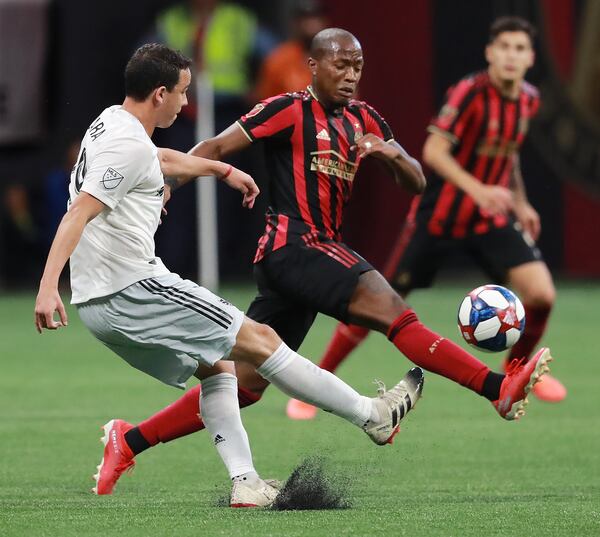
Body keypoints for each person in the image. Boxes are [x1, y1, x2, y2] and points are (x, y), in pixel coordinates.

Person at [92, 28, 553, 494]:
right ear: (314, 66)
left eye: (357, 67)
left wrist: (391, 155)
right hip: (292, 246)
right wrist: (168, 186)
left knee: (245, 384)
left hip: (310, 255)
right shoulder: (286, 109)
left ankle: (128, 441)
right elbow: (213, 148)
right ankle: (495, 388)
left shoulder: (365, 118)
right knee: (394, 311)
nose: (351, 76)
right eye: (340, 65)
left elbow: (416, 181)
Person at [33, 43, 425, 507]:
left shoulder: (111, 122)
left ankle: (246, 484)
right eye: (182, 92)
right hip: (133, 288)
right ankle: (371, 415)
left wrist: (219, 168)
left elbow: (156, 160)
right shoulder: (125, 146)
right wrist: (45, 288)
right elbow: (79, 212)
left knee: (219, 369)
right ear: (159, 94)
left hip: (100, 303)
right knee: (261, 342)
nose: (185, 102)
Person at [287, 16, 565, 421]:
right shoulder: (469, 92)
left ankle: (516, 371)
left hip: (489, 218)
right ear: (490, 53)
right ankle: (314, 386)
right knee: (374, 307)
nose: (511, 56)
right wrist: (480, 190)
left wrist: (520, 201)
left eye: (520, 49)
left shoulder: (528, 98)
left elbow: (508, 152)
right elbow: (434, 152)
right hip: (439, 219)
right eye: (504, 47)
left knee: (542, 295)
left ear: (530, 58)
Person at [253, 0, 327, 100]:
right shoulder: (279, 59)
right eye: (305, 19)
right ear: (295, 24)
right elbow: (264, 100)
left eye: (315, 18)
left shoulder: (335, 58)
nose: (311, 25)